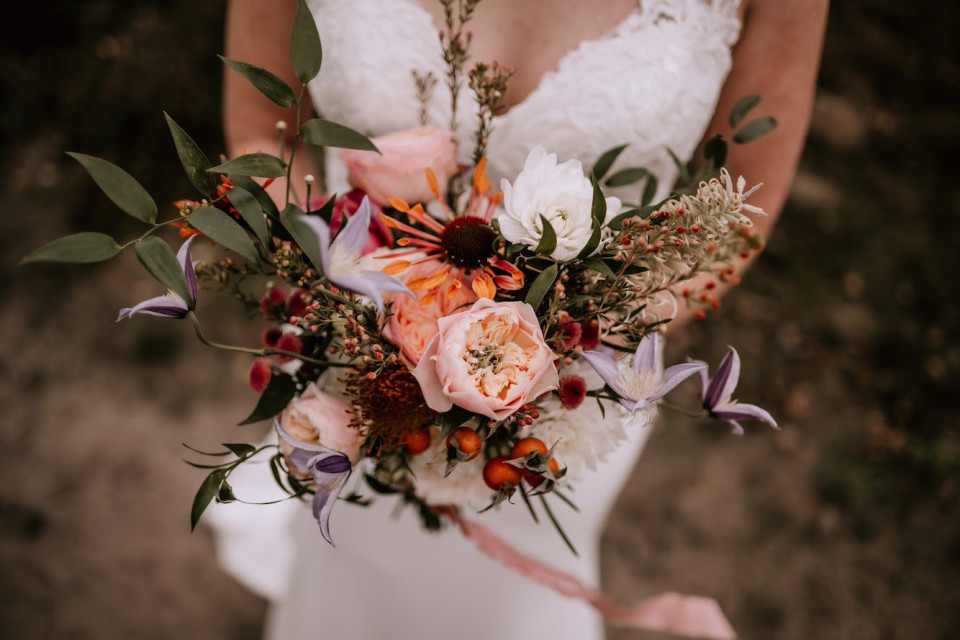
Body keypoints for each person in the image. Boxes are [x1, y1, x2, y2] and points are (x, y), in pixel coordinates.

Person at [211, 1, 829, 638]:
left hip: (579, 387)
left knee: (507, 605)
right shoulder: (353, 334)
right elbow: (263, 128)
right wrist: (352, 302)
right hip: (356, 359)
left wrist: (585, 328)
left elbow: (742, 205)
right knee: (354, 565)